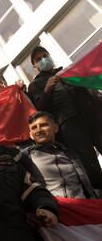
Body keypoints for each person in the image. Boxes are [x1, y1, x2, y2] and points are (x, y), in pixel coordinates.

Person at [27, 46, 102, 190]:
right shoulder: (35, 85)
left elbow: (90, 91)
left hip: (93, 117)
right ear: (35, 66)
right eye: (39, 59)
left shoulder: (68, 72)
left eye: (45, 55)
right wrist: (47, 90)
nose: (44, 59)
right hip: (69, 125)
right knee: (89, 163)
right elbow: (40, 110)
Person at [24, 111, 98, 199]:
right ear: (31, 135)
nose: (39, 130)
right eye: (34, 128)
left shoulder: (71, 154)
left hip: (83, 206)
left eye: (43, 125)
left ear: (55, 128)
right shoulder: (25, 158)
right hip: (52, 209)